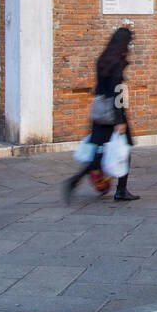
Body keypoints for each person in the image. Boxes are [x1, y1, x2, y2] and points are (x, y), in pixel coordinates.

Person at [66, 26, 139, 202]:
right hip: (113, 114)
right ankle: (121, 190)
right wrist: (119, 120)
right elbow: (117, 91)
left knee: (98, 154)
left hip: (99, 113)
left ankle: (74, 181)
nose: (130, 47)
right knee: (125, 150)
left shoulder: (103, 59)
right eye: (129, 43)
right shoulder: (117, 63)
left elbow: (99, 88)